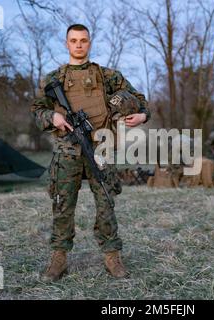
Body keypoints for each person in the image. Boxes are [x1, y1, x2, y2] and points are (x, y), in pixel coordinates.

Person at [31, 24, 150, 281]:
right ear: (66, 44)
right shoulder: (53, 79)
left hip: (101, 149)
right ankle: (59, 259)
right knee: (62, 206)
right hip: (67, 151)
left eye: (83, 40)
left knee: (106, 203)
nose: (79, 45)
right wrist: (52, 116)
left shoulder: (107, 76)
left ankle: (112, 257)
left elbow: (139, 98)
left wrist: (142, 115)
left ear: (90, 42)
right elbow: (37, 109)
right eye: (73, 40)